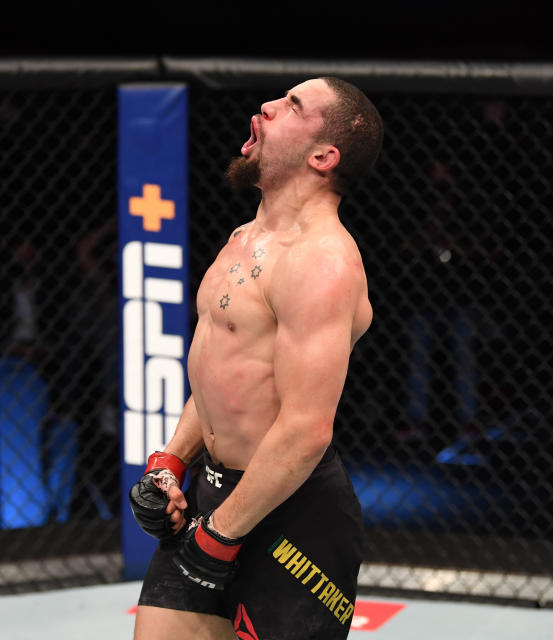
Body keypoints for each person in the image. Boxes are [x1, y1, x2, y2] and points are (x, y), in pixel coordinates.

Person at [129, 76, 383, 640]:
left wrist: (219, 535)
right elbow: (222, 378)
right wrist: (171, 461)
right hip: (212, 500)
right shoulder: (245, 237)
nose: (266, 106)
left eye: (293, 105)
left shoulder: (322, 261)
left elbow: (305, 430)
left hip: (294, 525)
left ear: (323, 156)